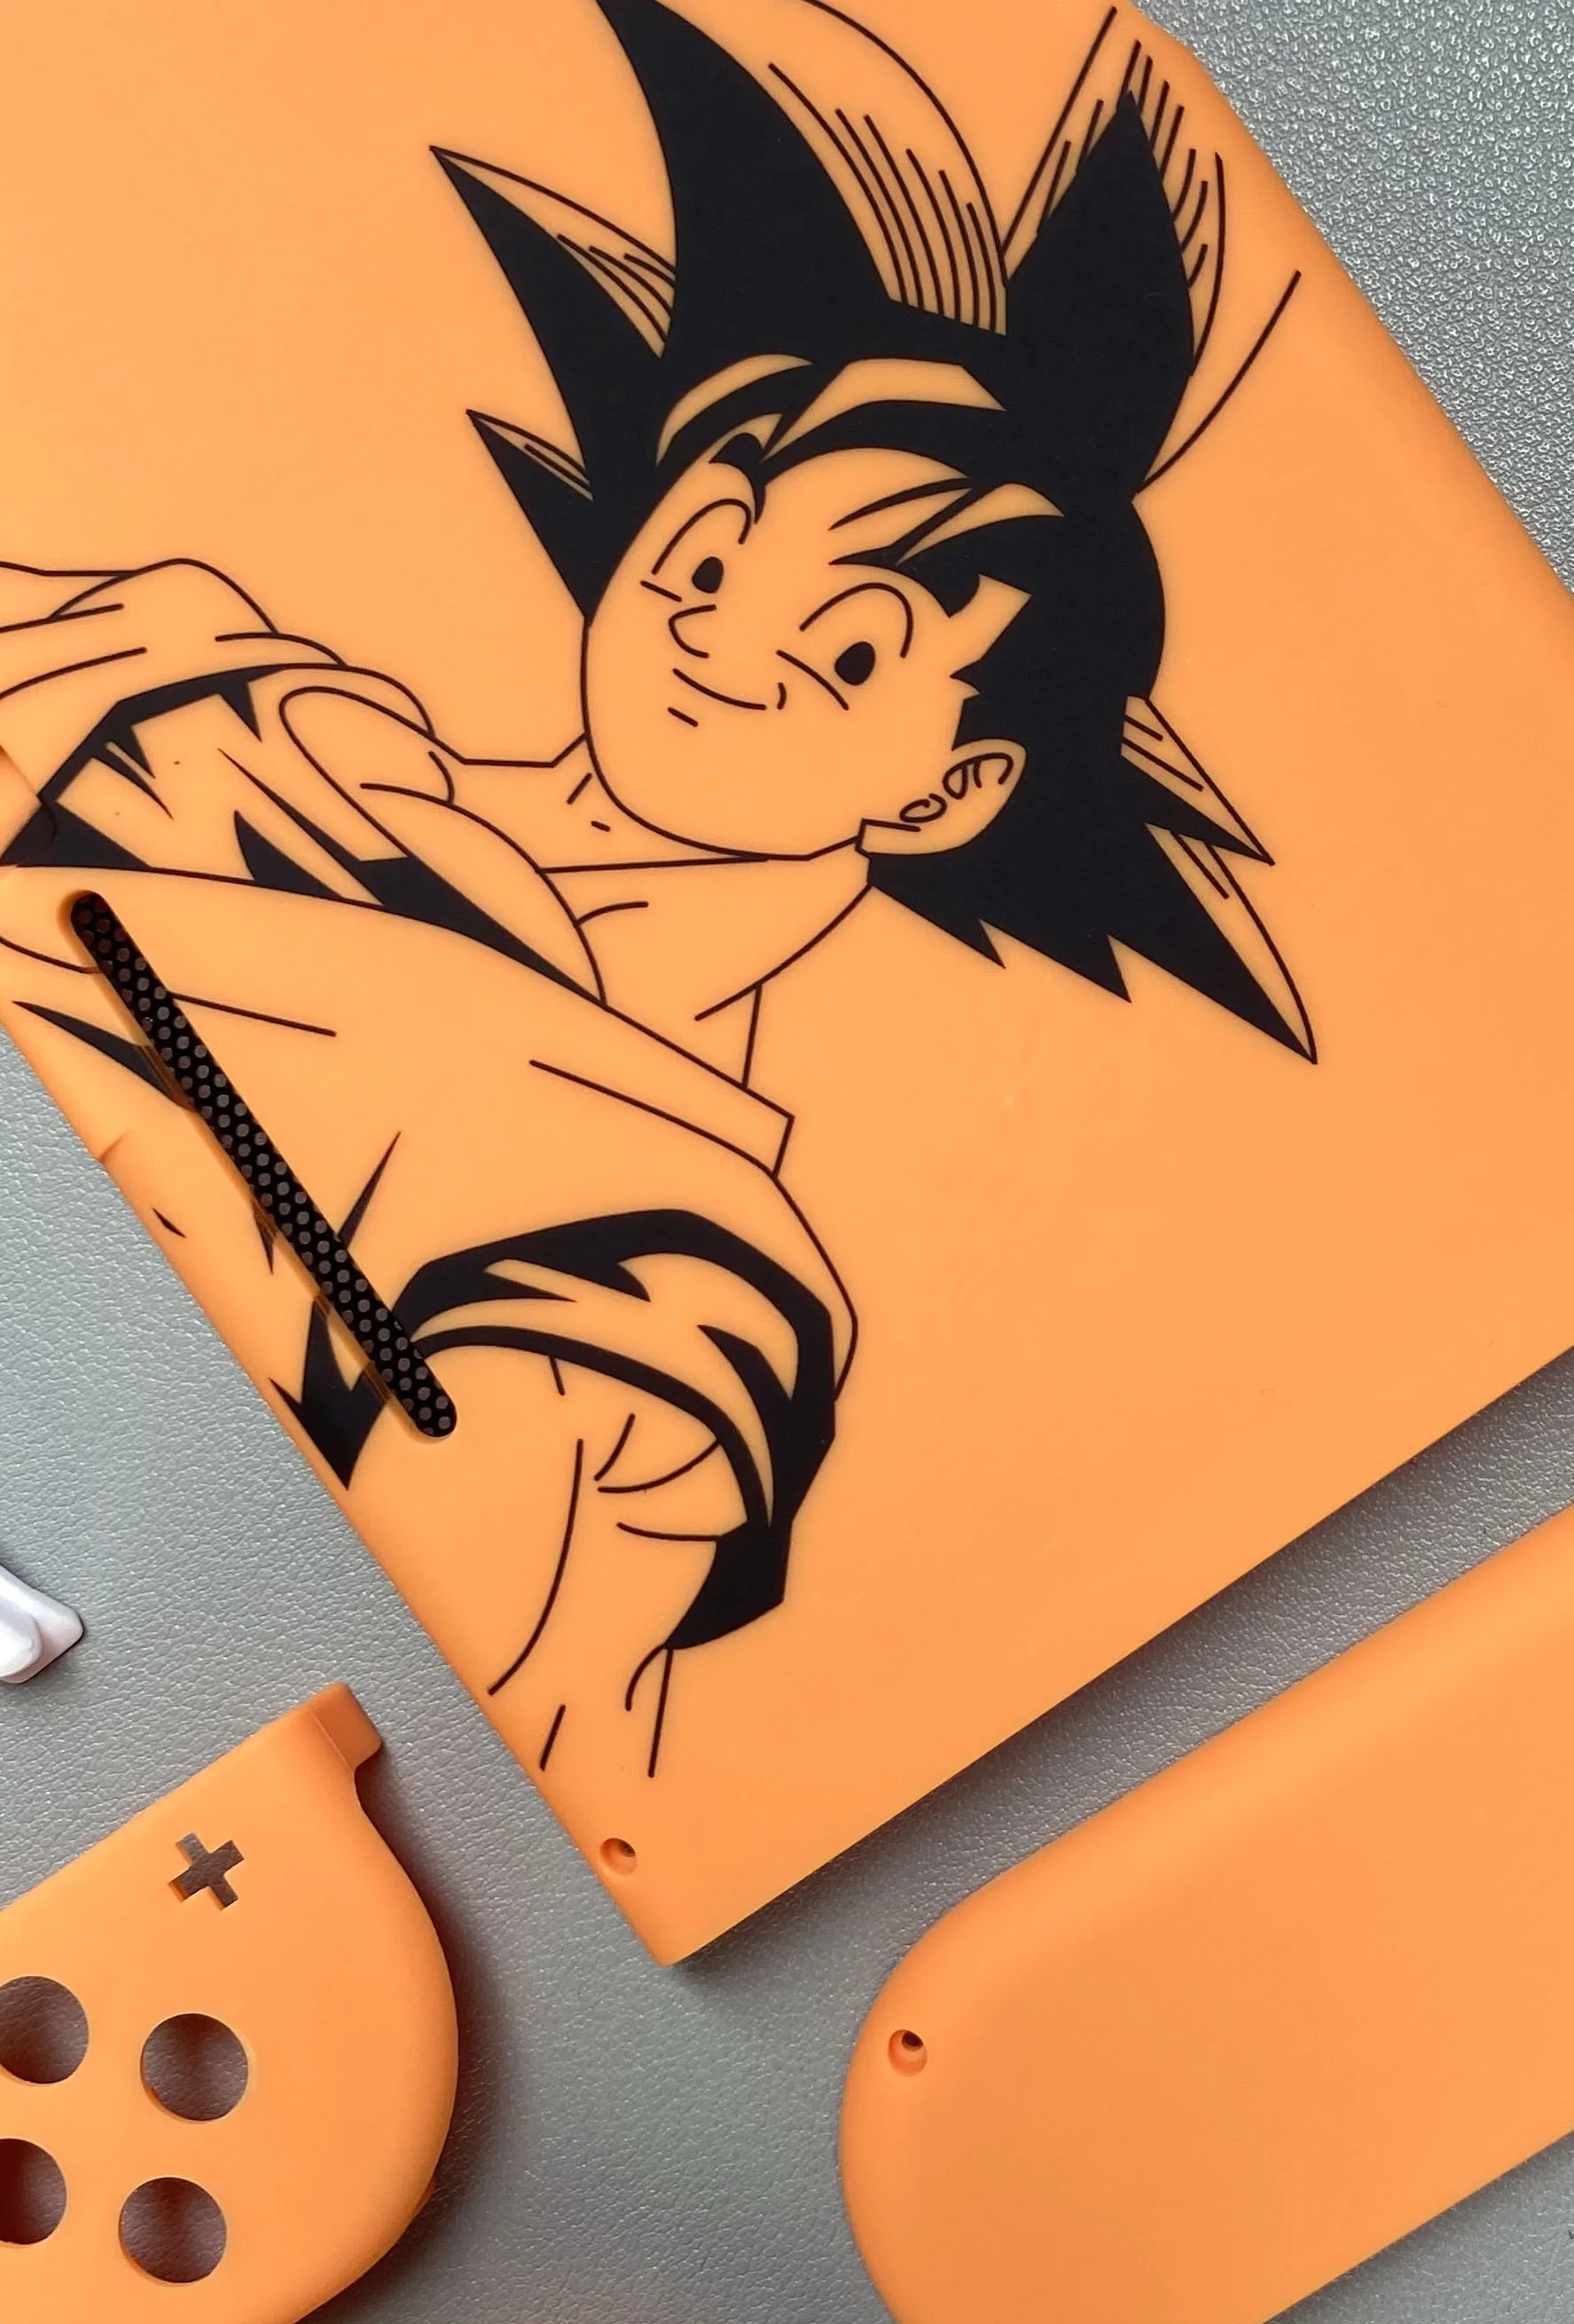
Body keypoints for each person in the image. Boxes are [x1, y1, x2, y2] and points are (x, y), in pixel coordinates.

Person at [0, 0, 1305, 1782]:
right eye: (712, 547)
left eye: (849, 647)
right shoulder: (217, 694)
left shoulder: (676, 1280)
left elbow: (538, 1661)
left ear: (952, 787)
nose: (719, 631)